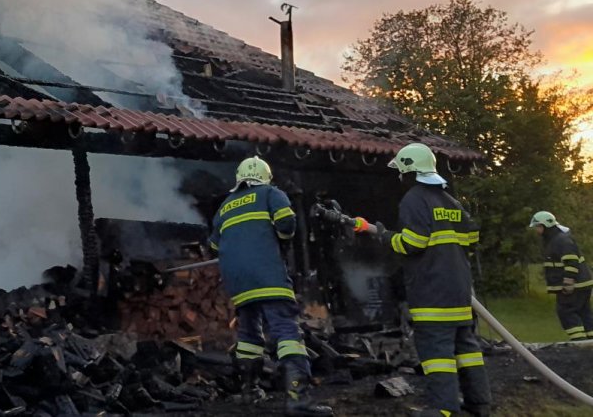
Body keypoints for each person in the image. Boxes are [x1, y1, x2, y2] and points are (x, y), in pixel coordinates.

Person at [358, 143, 492, 417]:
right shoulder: (450, 201)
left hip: (432, 291)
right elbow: (471, 237)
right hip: (459, 289)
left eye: (401, 172)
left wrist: (386, 237)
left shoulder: (414, 199)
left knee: (437, 353)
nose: (399, 178)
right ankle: (479, 405)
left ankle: (444, 410)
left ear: (409, 170)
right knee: (467, 348)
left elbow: (413, 243)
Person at [209, 156, 333, 416]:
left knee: (248, 336)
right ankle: (298, 399)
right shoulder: (270, 193)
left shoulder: (225, 206)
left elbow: (214, 245)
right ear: (265, 176)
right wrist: (281, 242)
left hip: (239, 284)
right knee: (287, 333)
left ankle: (248, 391)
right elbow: (287, 223)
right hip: (267, 276)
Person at [529, 211, 593, 341]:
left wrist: (568, 282)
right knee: (583, 312)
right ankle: (589, 344)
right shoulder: (557, 239)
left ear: (544, 226)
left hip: (575, 285)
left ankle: (579, 343)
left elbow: (571, 261)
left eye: (537, 227)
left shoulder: (560, 240)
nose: (536, 230)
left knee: (566, 312)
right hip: (581, 284)